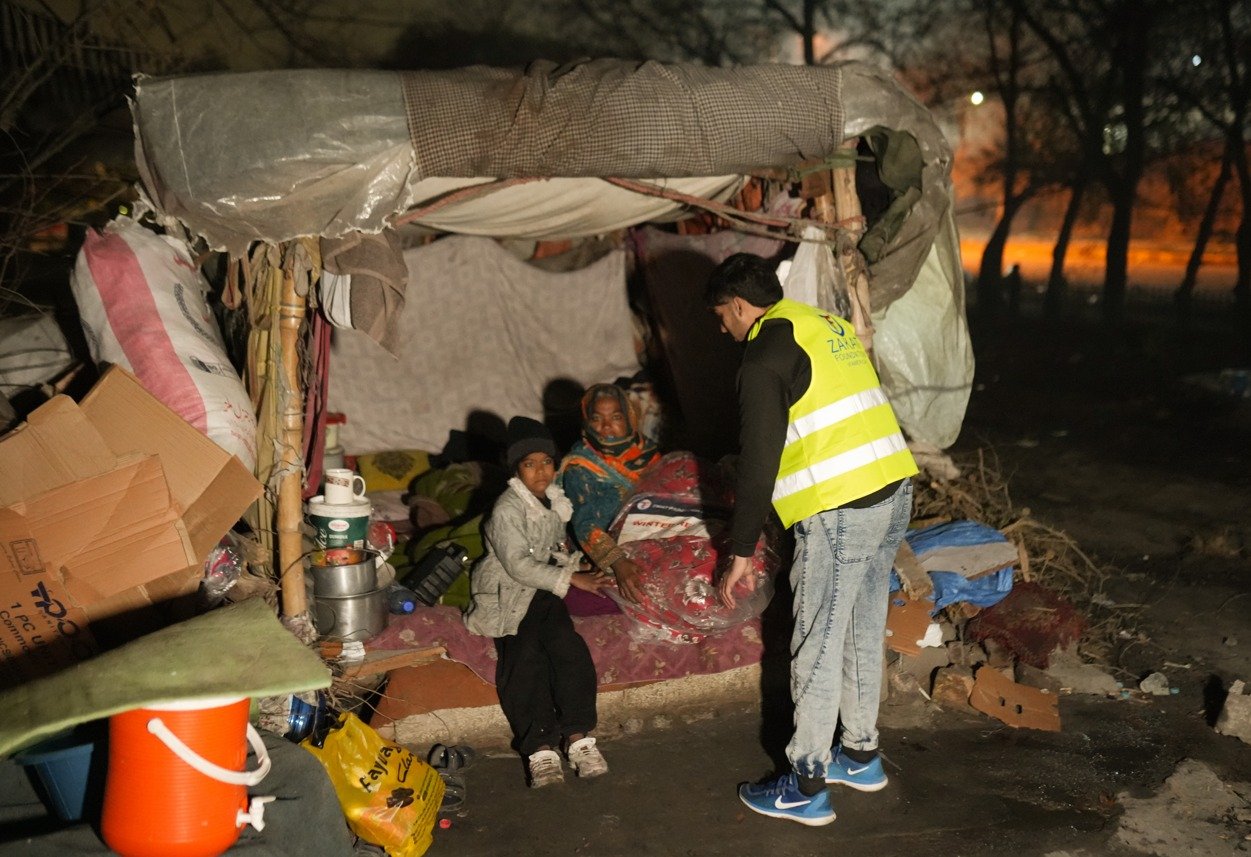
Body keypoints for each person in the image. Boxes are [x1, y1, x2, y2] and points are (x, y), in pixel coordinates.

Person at [706, 253, 917, 826]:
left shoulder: (762, 356)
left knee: (817, 644)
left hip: (843, 507)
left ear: (740, 306)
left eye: (721, 314)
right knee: (859, 626)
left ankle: (805, 783)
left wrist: (741, 550)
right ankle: (861, 754)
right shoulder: (825, 324)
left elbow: (758, 464)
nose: (721, 326)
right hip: (893, 489)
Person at [464, 416, 611, 787]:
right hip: (508, 593)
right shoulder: (507, 510)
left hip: (543, 590)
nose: (541, 471)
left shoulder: (553, 501)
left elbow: (553, 550)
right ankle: (540, 749)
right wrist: (571, 578)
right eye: (530, 464)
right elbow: (516, 565)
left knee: (568, 647)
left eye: (546, 462)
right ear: (516, 469)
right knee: (523, 654)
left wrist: (574, 563)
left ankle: (578, 737)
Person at [558, 383, 661, 604]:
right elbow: (585, 525)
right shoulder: (580, 467)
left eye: (615, 417)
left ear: (629, 418)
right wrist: (619, 564)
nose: (606, 427)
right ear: (587, 420)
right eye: (596, 419)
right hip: (608, 554)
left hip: (654, 537)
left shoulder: (648, 452)